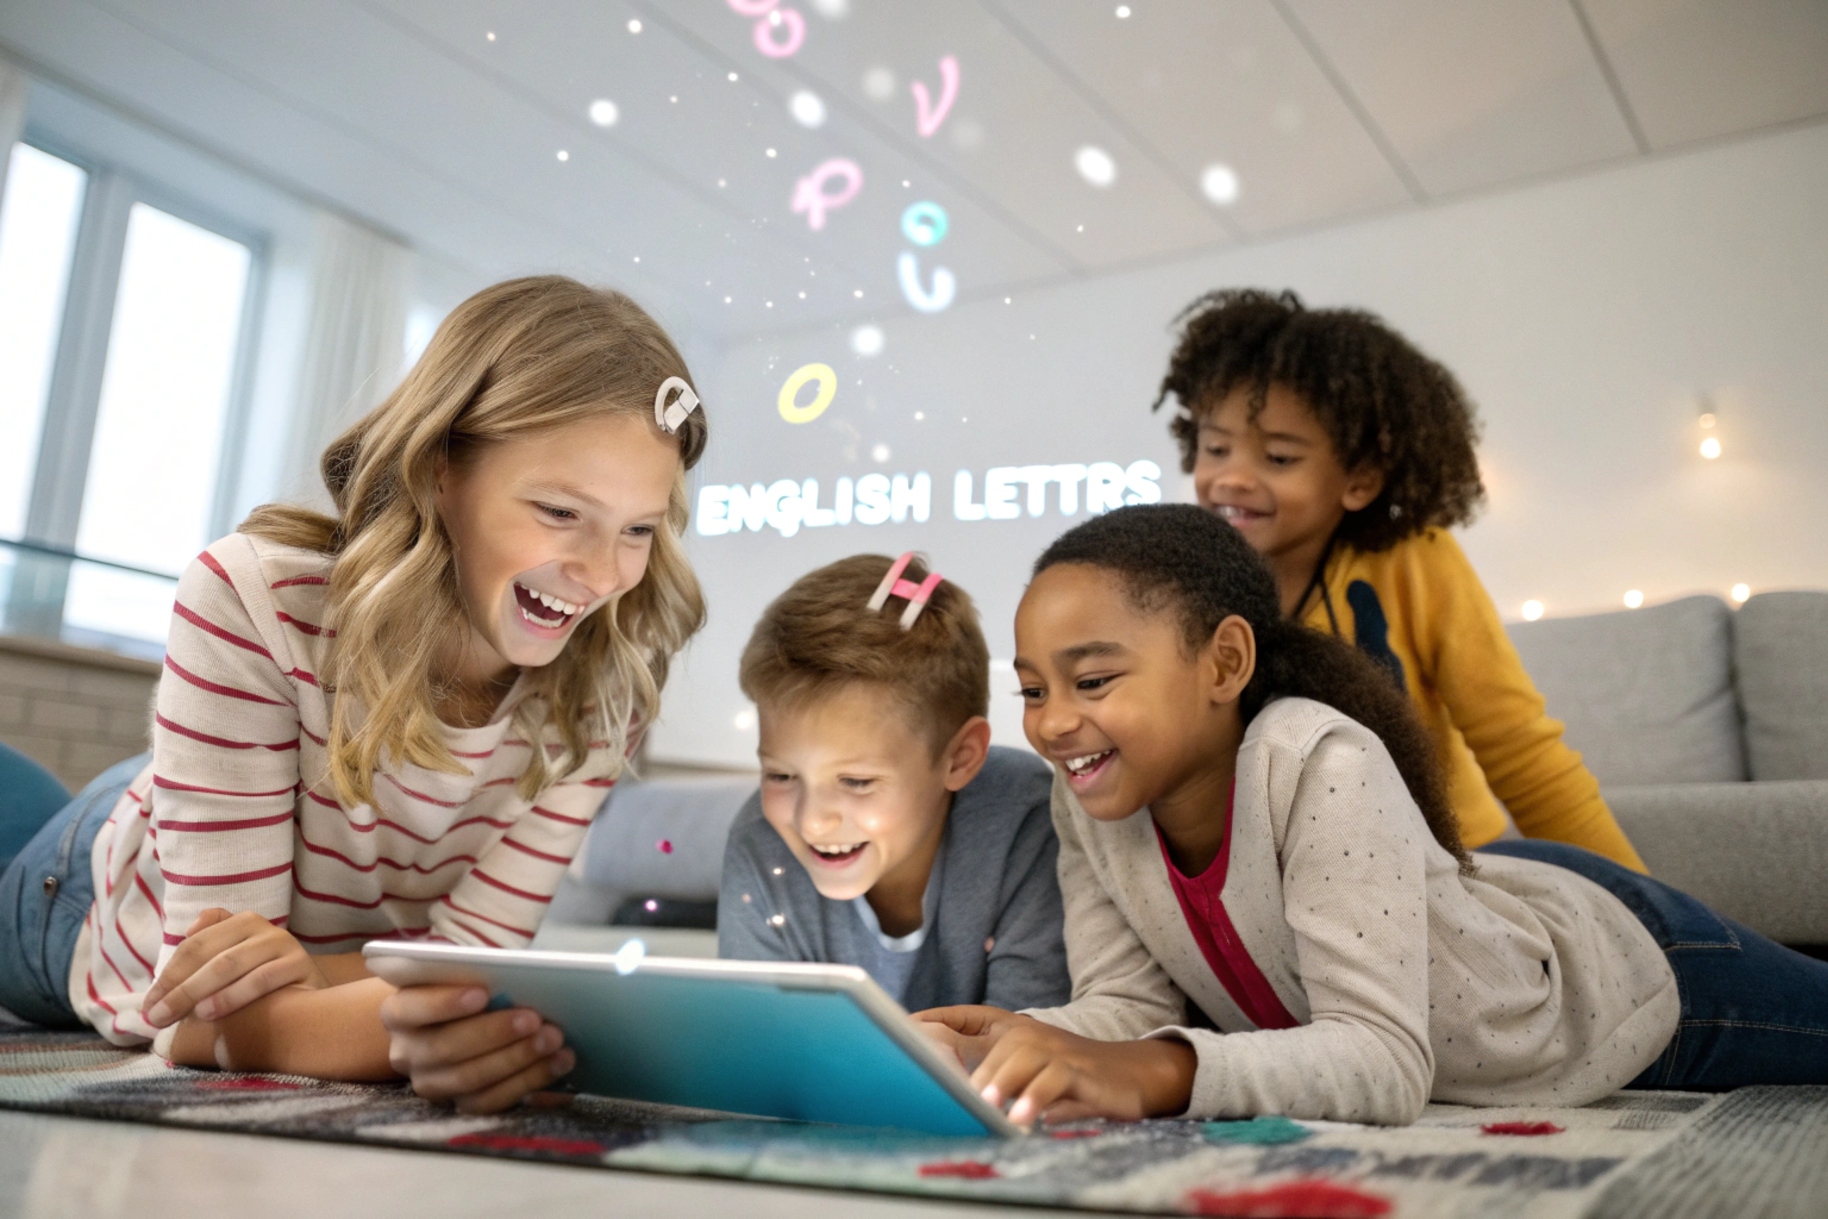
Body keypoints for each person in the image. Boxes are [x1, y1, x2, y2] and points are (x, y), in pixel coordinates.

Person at [0, 276, 708, 1114]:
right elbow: (198, 1012)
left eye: (637, 529)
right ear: (442, 468)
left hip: (253, 823)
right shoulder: (252, 595)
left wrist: (329, 978)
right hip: (92, 891)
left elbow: (469, 965)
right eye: (560, 510)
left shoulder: (603, 694)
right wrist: (396, 1024)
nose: (602, 573)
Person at [919, 505, 1828, 1128]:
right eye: (1033, 688)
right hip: (1501, 898)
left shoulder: (1317, 759)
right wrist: (1013, 1041)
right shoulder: (1088, 804)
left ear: (1225, 662)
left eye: (1093, 679)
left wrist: (1159, 1070)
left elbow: (1386, 1062)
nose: (1050, 722)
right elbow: (1125, 1008)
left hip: (1618, 975)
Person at [1150, 289, 1644, 869]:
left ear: (1359, 480)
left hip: (1448, 862)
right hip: (1294, 882)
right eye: (1215, 447)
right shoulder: (1186, 582)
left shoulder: (1415, 560)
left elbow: (1519, 747)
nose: (1230, 478)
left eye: (1278, 458)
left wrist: (1630, 898)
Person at [719, 552, 1070, 1012]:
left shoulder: (1024, 817)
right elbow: (758, 1049)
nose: (813, 822)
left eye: (858, 781)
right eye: (781, 775)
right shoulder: (759, 842)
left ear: (961, 757)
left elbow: (1027, 1052)